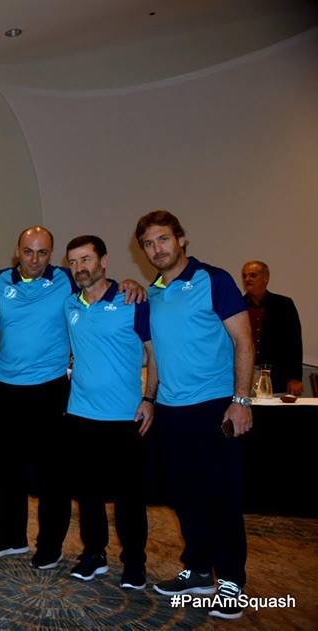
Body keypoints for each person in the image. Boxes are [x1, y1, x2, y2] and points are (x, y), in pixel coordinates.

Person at [0, 225, 144, 570]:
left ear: (51, 255)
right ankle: (11, 537)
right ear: (17, 251)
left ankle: (50, 545)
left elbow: (99, 283)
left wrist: (130, 284)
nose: (35, 260)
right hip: (5, 388)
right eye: (29, 252)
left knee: (51, 473)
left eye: (43, 253)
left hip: (51, 389)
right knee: (6, 467)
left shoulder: (66, 280)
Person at [136, 210, 253, 620]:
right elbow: (154, 355)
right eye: (149, 244)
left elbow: (243, 341)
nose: (157, 249)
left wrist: (241, 401)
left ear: (182, 239)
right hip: (171, 410)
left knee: (221, 497)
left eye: (163, 239)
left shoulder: (213, 280)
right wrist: (149, 399)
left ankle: (233, 582)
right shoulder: (152, 294)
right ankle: (200, 570)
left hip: (214, 407)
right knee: (184, 497)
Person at [62, 236, 155, 590]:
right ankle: (94, 554)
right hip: (81, 415)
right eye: (73, 261)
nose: (79, 267)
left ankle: (135, 562)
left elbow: (153, 353)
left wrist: (150, 399)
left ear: (104, 260)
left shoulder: (133, 299)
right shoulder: (70, 304)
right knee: (88, 495)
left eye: (86, 259)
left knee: (130, 498)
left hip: (125, 417)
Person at [241, 260, 303, 396]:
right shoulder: (238, 306)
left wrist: (295, 377)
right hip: (244, 375)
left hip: (277, 376)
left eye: (252, 275)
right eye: (244, 276)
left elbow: (294, 342)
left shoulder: (283, 305)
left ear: (265, 278)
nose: (247, 279)